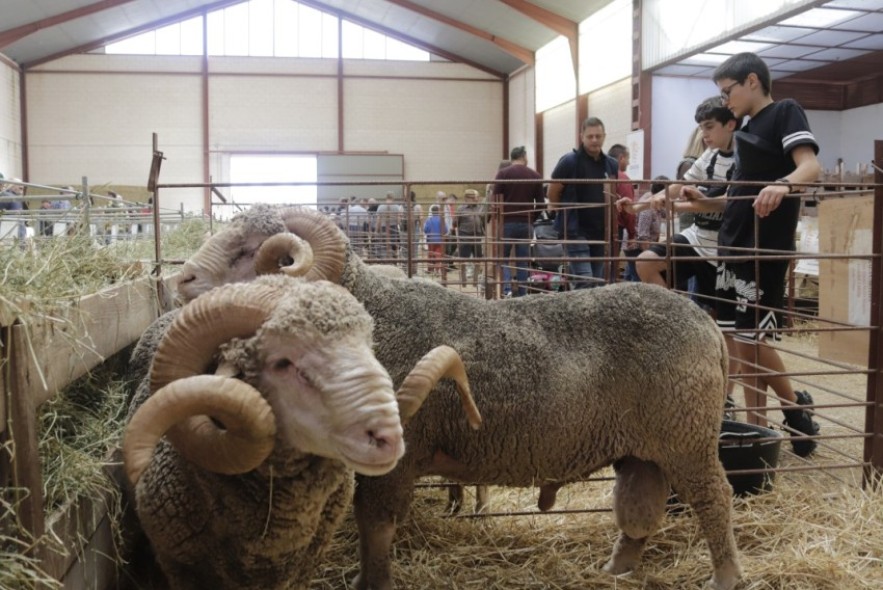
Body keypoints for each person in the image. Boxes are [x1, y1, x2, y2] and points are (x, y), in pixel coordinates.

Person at [711, 52, 822, 456]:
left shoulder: (785, 112)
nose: (726, 101)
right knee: (740, 345)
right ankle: (757, 434)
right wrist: (697, 201)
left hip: (763, 246)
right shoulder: (746, 129)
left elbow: (810, 166)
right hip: (733, 243)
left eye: (728, 91)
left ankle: (795, 414)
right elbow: (740, 192)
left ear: (752, 80)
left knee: (754, 340)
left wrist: (784, 185)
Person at [547, 117, 619, 289]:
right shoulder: (569, 161)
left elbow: (612, 193)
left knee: (597, 281)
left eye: (598, 136)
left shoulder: (611, 164)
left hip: (601, 232)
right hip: (575, 230)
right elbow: (553, 191)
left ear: (604, 136)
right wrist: (562, 214)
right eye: (590, 136)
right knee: (585, 280)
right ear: (582, 137)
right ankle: (582, 315)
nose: (594, 140)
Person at [493, 146, 544, 297]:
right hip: (526, 224)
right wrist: (531, 219)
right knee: (522, 261)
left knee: (502, 259)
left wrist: (500, 218)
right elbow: (541, 204)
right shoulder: (535, 175)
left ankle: (506, 290)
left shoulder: (502, 174)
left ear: (512, 157)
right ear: (524, 156)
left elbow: (495, 201)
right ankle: (522, 295)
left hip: (507, 223)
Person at [608, 143, 638, 281]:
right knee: (611, 266)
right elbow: (628, 209)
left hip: (593, 226)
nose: (629, 162)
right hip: (614, 228)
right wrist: (632, 234)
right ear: (620, 158)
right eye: (627, 158)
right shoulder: (623, 178)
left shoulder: (601, 174)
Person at [453, 189, 487, 286]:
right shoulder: (461, 209)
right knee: (463, 260)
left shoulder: (479, 207)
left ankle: (475, 281)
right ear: (467, 198)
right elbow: (455, 223)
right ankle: (463, 281)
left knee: (477, 260)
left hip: (477, 237)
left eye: (476, 197)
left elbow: (483, 220)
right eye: (473, 198)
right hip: (465, 236)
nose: (476, 199)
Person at [422, 204, 445, 275]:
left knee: (431, 255)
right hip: (439, 240)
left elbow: (425, 230)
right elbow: (445, 230)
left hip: (431, 240)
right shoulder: (441, 220)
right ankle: (437, 270)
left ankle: (430, 269)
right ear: (438, 211)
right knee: (438, 255)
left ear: (431, 212)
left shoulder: (429, 220)